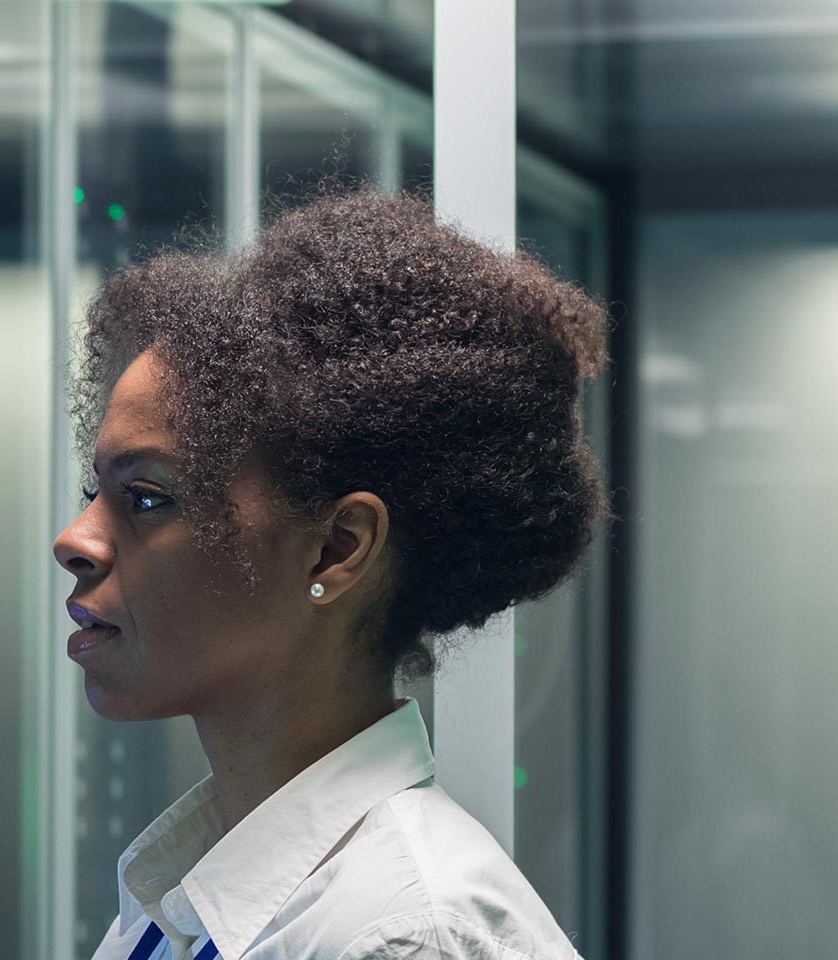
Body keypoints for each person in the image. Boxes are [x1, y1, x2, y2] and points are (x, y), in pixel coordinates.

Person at [54, 191, 606, 960]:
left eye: (147, 497)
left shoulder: (402, 936)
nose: (75, 540)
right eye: (95, 493)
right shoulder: (174, 912)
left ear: (337, 550)